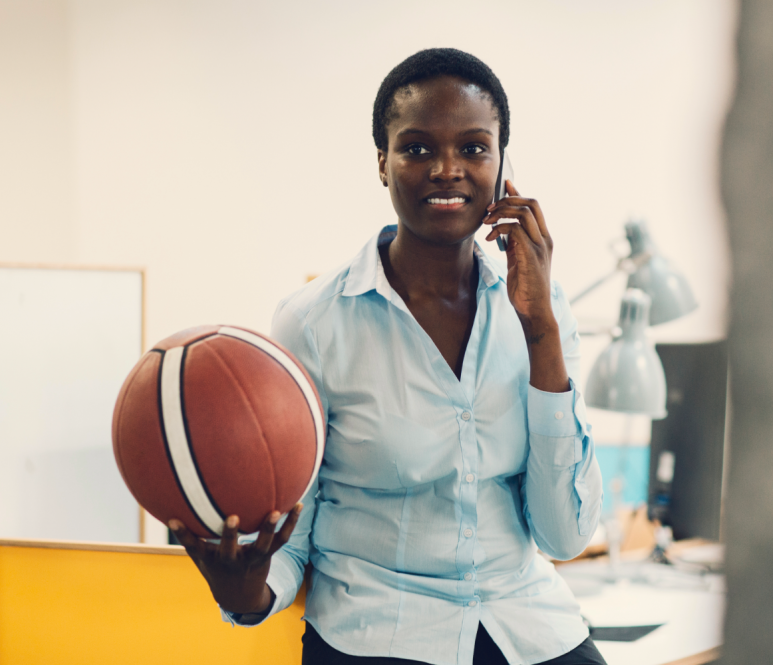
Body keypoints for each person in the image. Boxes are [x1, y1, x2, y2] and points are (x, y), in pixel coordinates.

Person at [171, 48, 605, 665]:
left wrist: (542, 334)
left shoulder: (540, 304)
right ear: (383, 162)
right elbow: (298, 528)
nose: (447, 169)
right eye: (418, 148)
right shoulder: (314, 323)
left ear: (503, 162)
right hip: (379, 632)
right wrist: (248, 595)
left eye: (475, 148)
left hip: (527, 625)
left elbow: (565, 534)